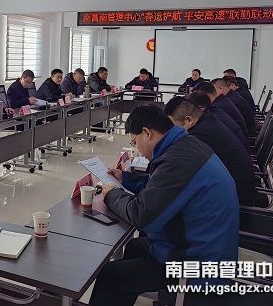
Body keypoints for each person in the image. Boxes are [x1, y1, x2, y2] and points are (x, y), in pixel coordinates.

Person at [89, 105, 239, 306]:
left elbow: (142, 216)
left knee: (111, 275)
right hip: (203, 244)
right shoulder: (185, 145)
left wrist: (110, 194)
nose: (137, 148)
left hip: (198, 264)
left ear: (147, 133)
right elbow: (164, 187)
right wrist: (126, 179)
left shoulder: (178, 160)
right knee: (134, 246)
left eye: (135, 142)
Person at [164, 97, 266, 207]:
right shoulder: (208, 121)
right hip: (241, 187)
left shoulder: (200, 135)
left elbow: (179, 168)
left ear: (188, 120)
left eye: (173, 126)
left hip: (237, 200)